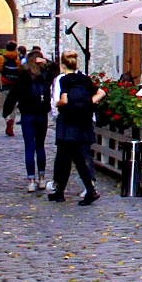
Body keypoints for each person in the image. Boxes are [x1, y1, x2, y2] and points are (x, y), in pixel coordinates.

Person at [47, 54, 104, 205]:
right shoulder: (85, 78)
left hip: (68, 122)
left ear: (63, 65)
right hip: (84, 121)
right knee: (76, 157)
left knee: (67, 159)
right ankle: (63, 191)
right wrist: (88, 103)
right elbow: (101, 92)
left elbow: (63, 100)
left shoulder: (64, 79)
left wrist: (58, 105)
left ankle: (82, 191)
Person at [5, 56, 55, 191]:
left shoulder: (24, 77)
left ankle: (31, 180)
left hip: (27, 114)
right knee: (40, 146)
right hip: (41, 115)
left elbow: (13, 94)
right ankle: (42, 178)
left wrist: (6, 112)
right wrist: (46, 61)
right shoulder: (45, 76)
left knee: (29, 147)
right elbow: (55, 68)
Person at [0, 46, 27, 136]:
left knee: (4, 105)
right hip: (15, 85)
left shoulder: (1, 58)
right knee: (13, 105)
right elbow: (22, 71)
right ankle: (12, 122)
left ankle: (7, 120)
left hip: (4, 84)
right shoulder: (18, 59)